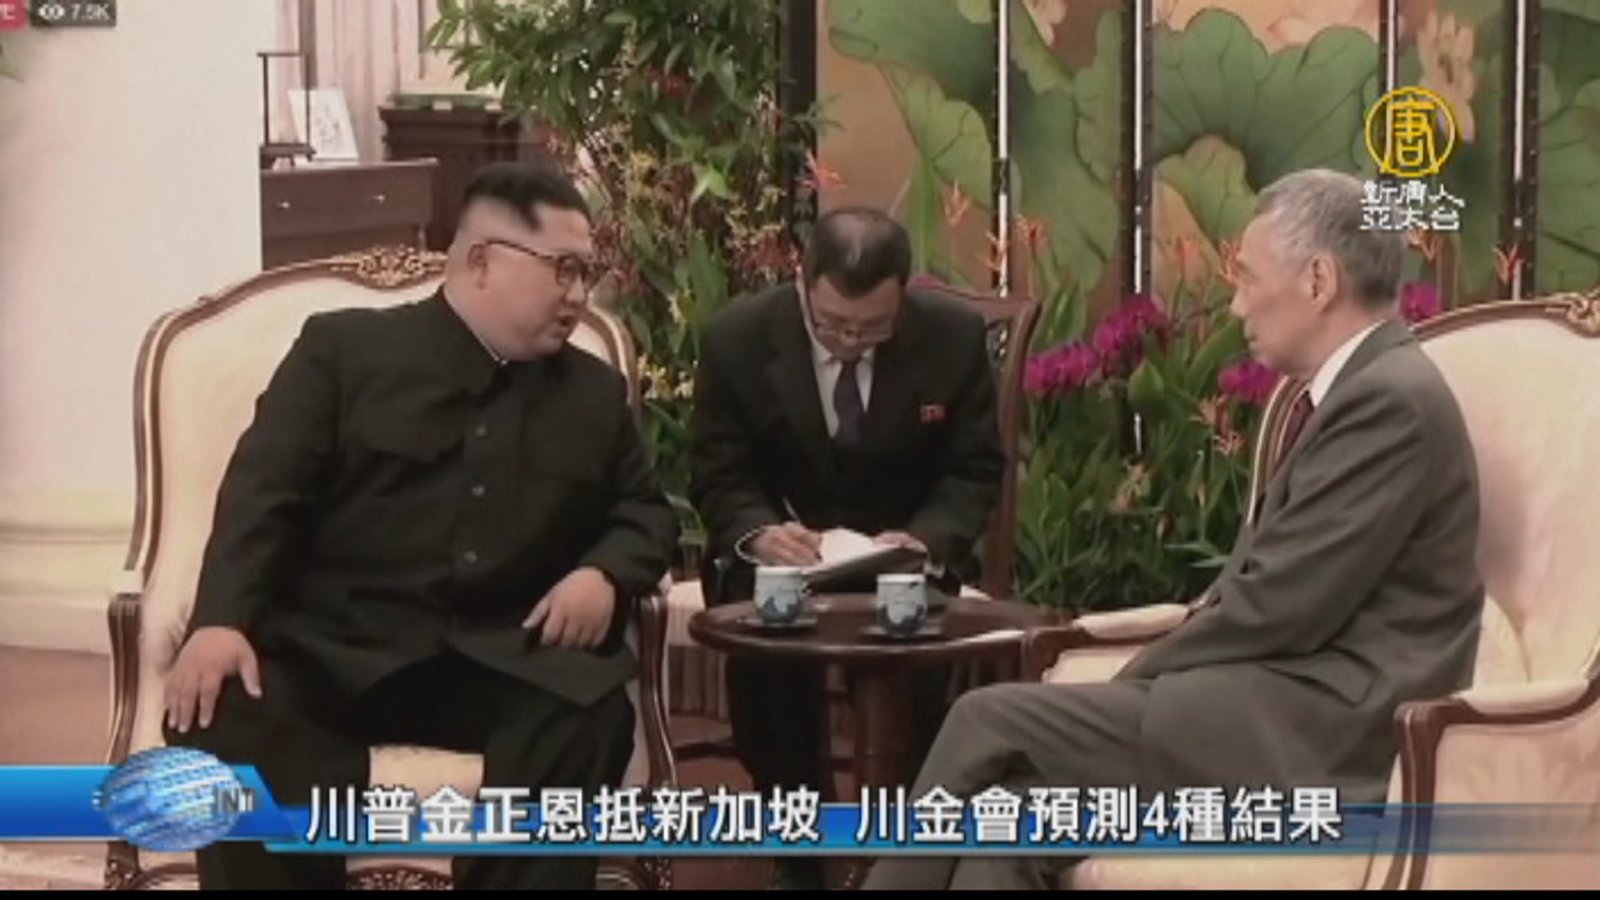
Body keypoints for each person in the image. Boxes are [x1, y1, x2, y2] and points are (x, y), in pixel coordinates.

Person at [861, 168, 1485, 889]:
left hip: (1330, 732)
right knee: (1013, 822)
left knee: (985, 719)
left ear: (1318, 281)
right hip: (1280, 697)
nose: (1236, 304)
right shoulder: (1356, 389)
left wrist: (1136, 679)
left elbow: (1278, 605)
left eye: (1247, 279)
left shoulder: (1390, 402)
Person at [162, 162, 679, 890]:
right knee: (226, 715)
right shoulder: (343, 354)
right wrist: (220, 620)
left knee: (588, 717)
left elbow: (645, 513)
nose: (577, 294)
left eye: (585, 273)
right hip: (333, 650)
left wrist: (606, 573)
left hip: (500, 658)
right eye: (562, 269)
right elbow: (263, 495)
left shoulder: (592, 393)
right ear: (481, 261)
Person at [689, 206, 1005, 888]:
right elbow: (719, 474)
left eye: (872, 327)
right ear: (803, 283)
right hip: (784, 555)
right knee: (770, 657)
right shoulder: (737, 339)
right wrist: (759, 532)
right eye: (833, 324)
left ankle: (909, 853)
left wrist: (926, 539)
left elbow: (975, 468)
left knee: (915, 648)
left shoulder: (951, 338)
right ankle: (801, 853)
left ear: (903, 295)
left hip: (902, 557)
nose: (853, 341)